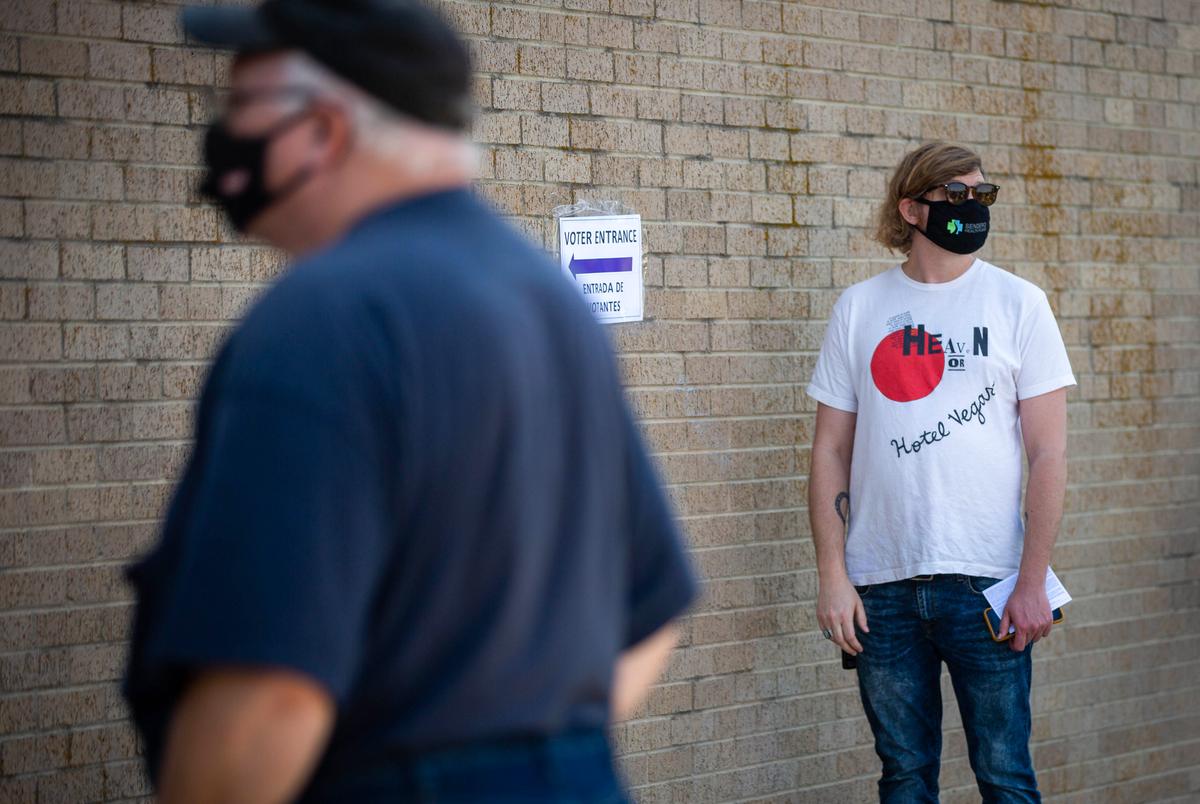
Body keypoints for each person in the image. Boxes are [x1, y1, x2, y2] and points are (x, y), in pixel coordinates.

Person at [122, 2, 698, 802]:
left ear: (321, 127)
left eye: (240, 105)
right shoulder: (548, 301)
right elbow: (652, 612)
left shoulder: (325, 318)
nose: (223, 131)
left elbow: (270, 697)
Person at [806, 141, 1075, 802]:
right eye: (956, 197)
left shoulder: (1020, 305)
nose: (973, 209)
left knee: (1006, 777)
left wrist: (1033, 583)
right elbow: (829, 452)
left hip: (989, 587)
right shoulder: (860, 308)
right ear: (911, 209)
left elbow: (1049, 454)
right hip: (883, 591)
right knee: (904, 779)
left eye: (982, 197)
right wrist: (834, 578)